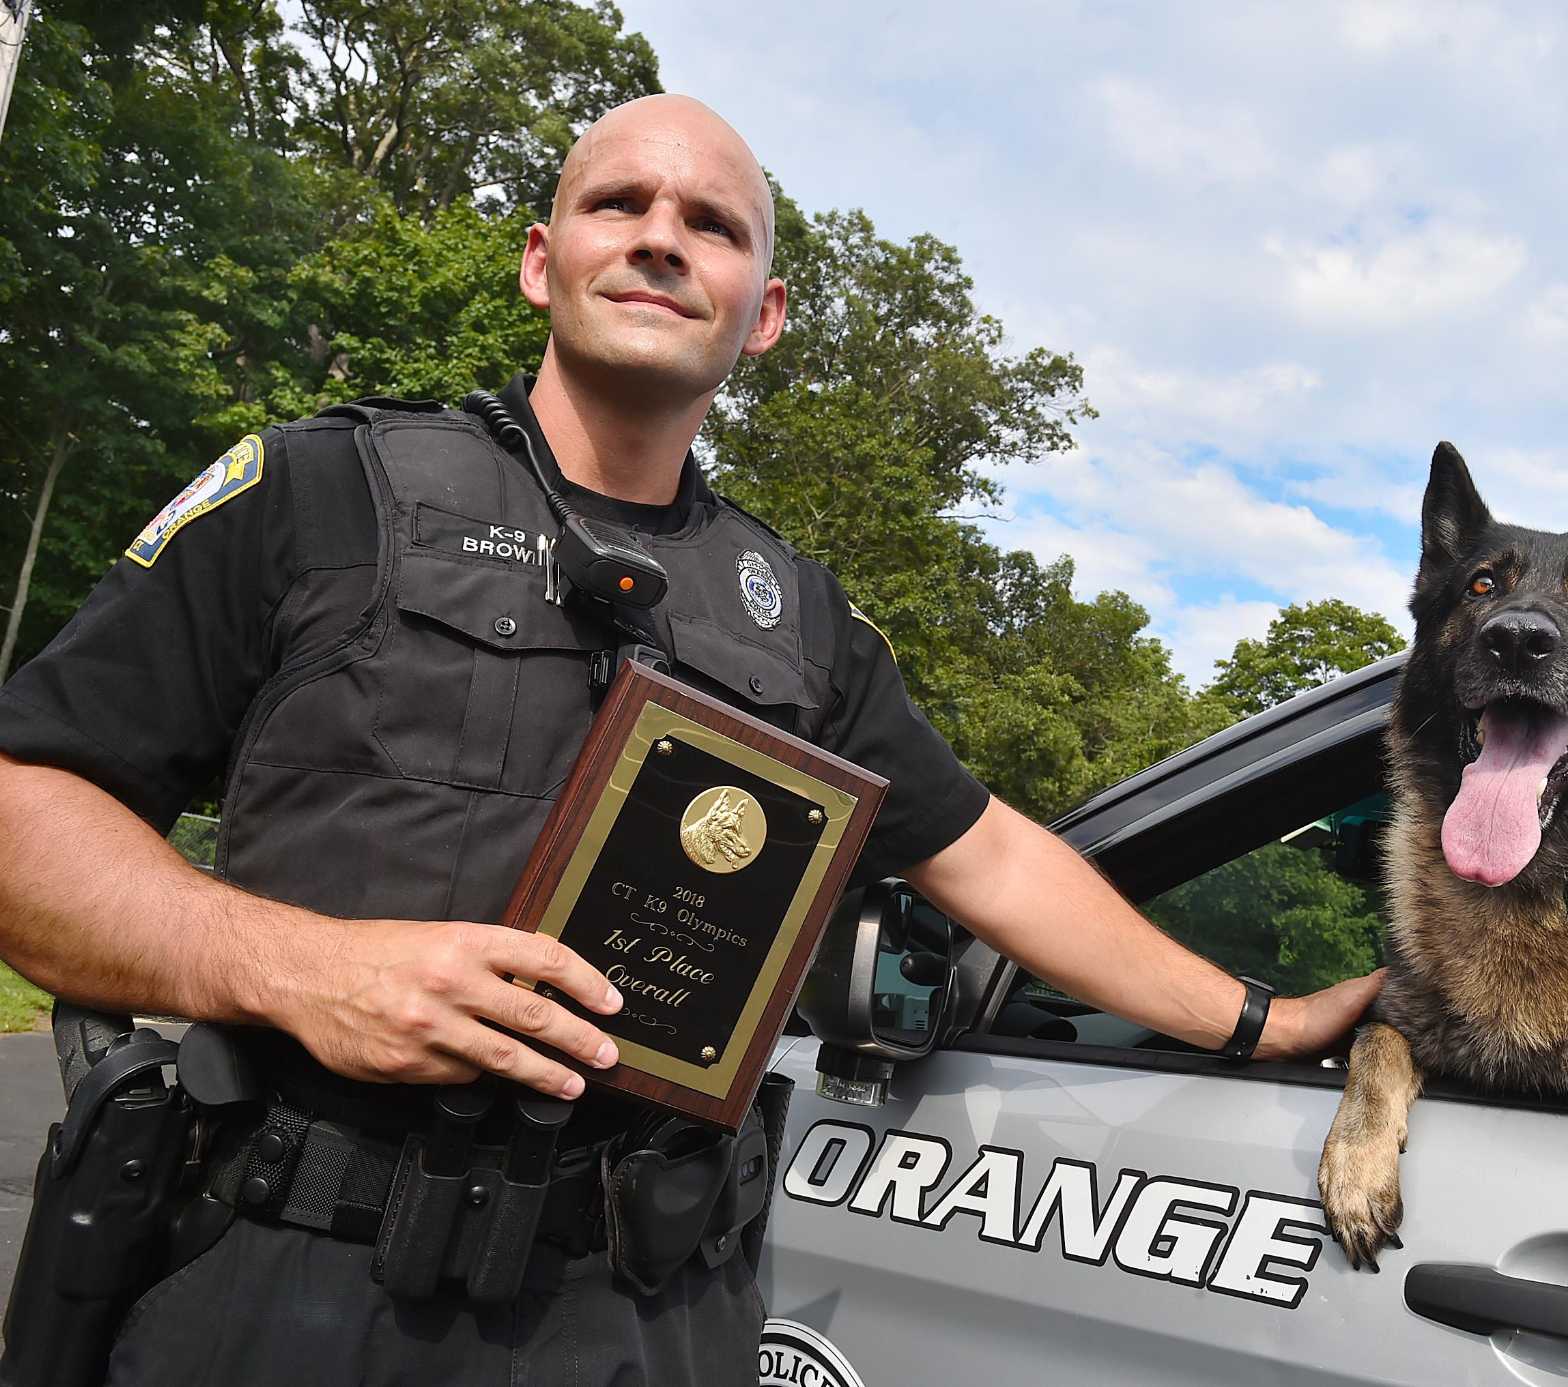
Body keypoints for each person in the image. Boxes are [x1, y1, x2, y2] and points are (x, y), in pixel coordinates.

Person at [0, 94, 1380, 1384]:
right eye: (620, 205)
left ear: (762, 313)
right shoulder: (320, 492)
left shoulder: (803, 624)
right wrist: (302, 969)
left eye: (712, 225)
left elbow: (992, 858)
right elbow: (25, 811)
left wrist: (1263, 1018)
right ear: (542, 261)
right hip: (299, 1294)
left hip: (658, 1317)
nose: (662, 236)